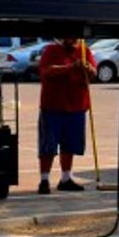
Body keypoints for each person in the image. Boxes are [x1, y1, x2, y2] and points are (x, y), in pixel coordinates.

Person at [35, 35, 96, 193]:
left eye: (75, 37)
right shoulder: (51, 50)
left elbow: (93, 74)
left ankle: (66, 178)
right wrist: (70, 68)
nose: (73, 40)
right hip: (53, 106)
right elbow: (46, 72)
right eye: (69, 36)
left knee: (70, 145)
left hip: (76, 106)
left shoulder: (84, 51)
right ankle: (44, 179)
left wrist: (88, 68)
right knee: (48, 145)